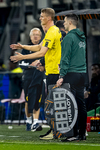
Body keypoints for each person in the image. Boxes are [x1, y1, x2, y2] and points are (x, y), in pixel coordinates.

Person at [10, 8, 62, 140]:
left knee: (53, 103)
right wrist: (23, 47)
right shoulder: (51, 32)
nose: (40, 18)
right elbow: (39, 47)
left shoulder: (52, 32)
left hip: (54, 72)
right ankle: (53, 130)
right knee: (51, 102)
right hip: (50, 71)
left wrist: (22, 57)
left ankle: (56, 131)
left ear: (49, 18)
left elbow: (41, 53)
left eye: (42, 16)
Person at [56, 13, 87, 142]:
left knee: (70, 105)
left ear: (69, 23)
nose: (63, 24)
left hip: (72, 73)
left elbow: (65, 58)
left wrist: (61, 75)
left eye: (64, 22)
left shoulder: (69, 37)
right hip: (82, 73)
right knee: (81, 104)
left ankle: (72, 134)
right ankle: (82, 134)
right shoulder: (82, 37)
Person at [18, 28, 44, 132]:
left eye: (37, 34)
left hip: (39, 76)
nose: (36, 36)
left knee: (38, 98)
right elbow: (21, 63)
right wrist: (30, 65)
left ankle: (36, 121)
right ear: (30, 36)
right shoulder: (26, 48)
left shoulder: (43, 48)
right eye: (34, 34)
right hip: (28, 77)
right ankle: (28, 121)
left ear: (41, 36)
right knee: (28, 99)